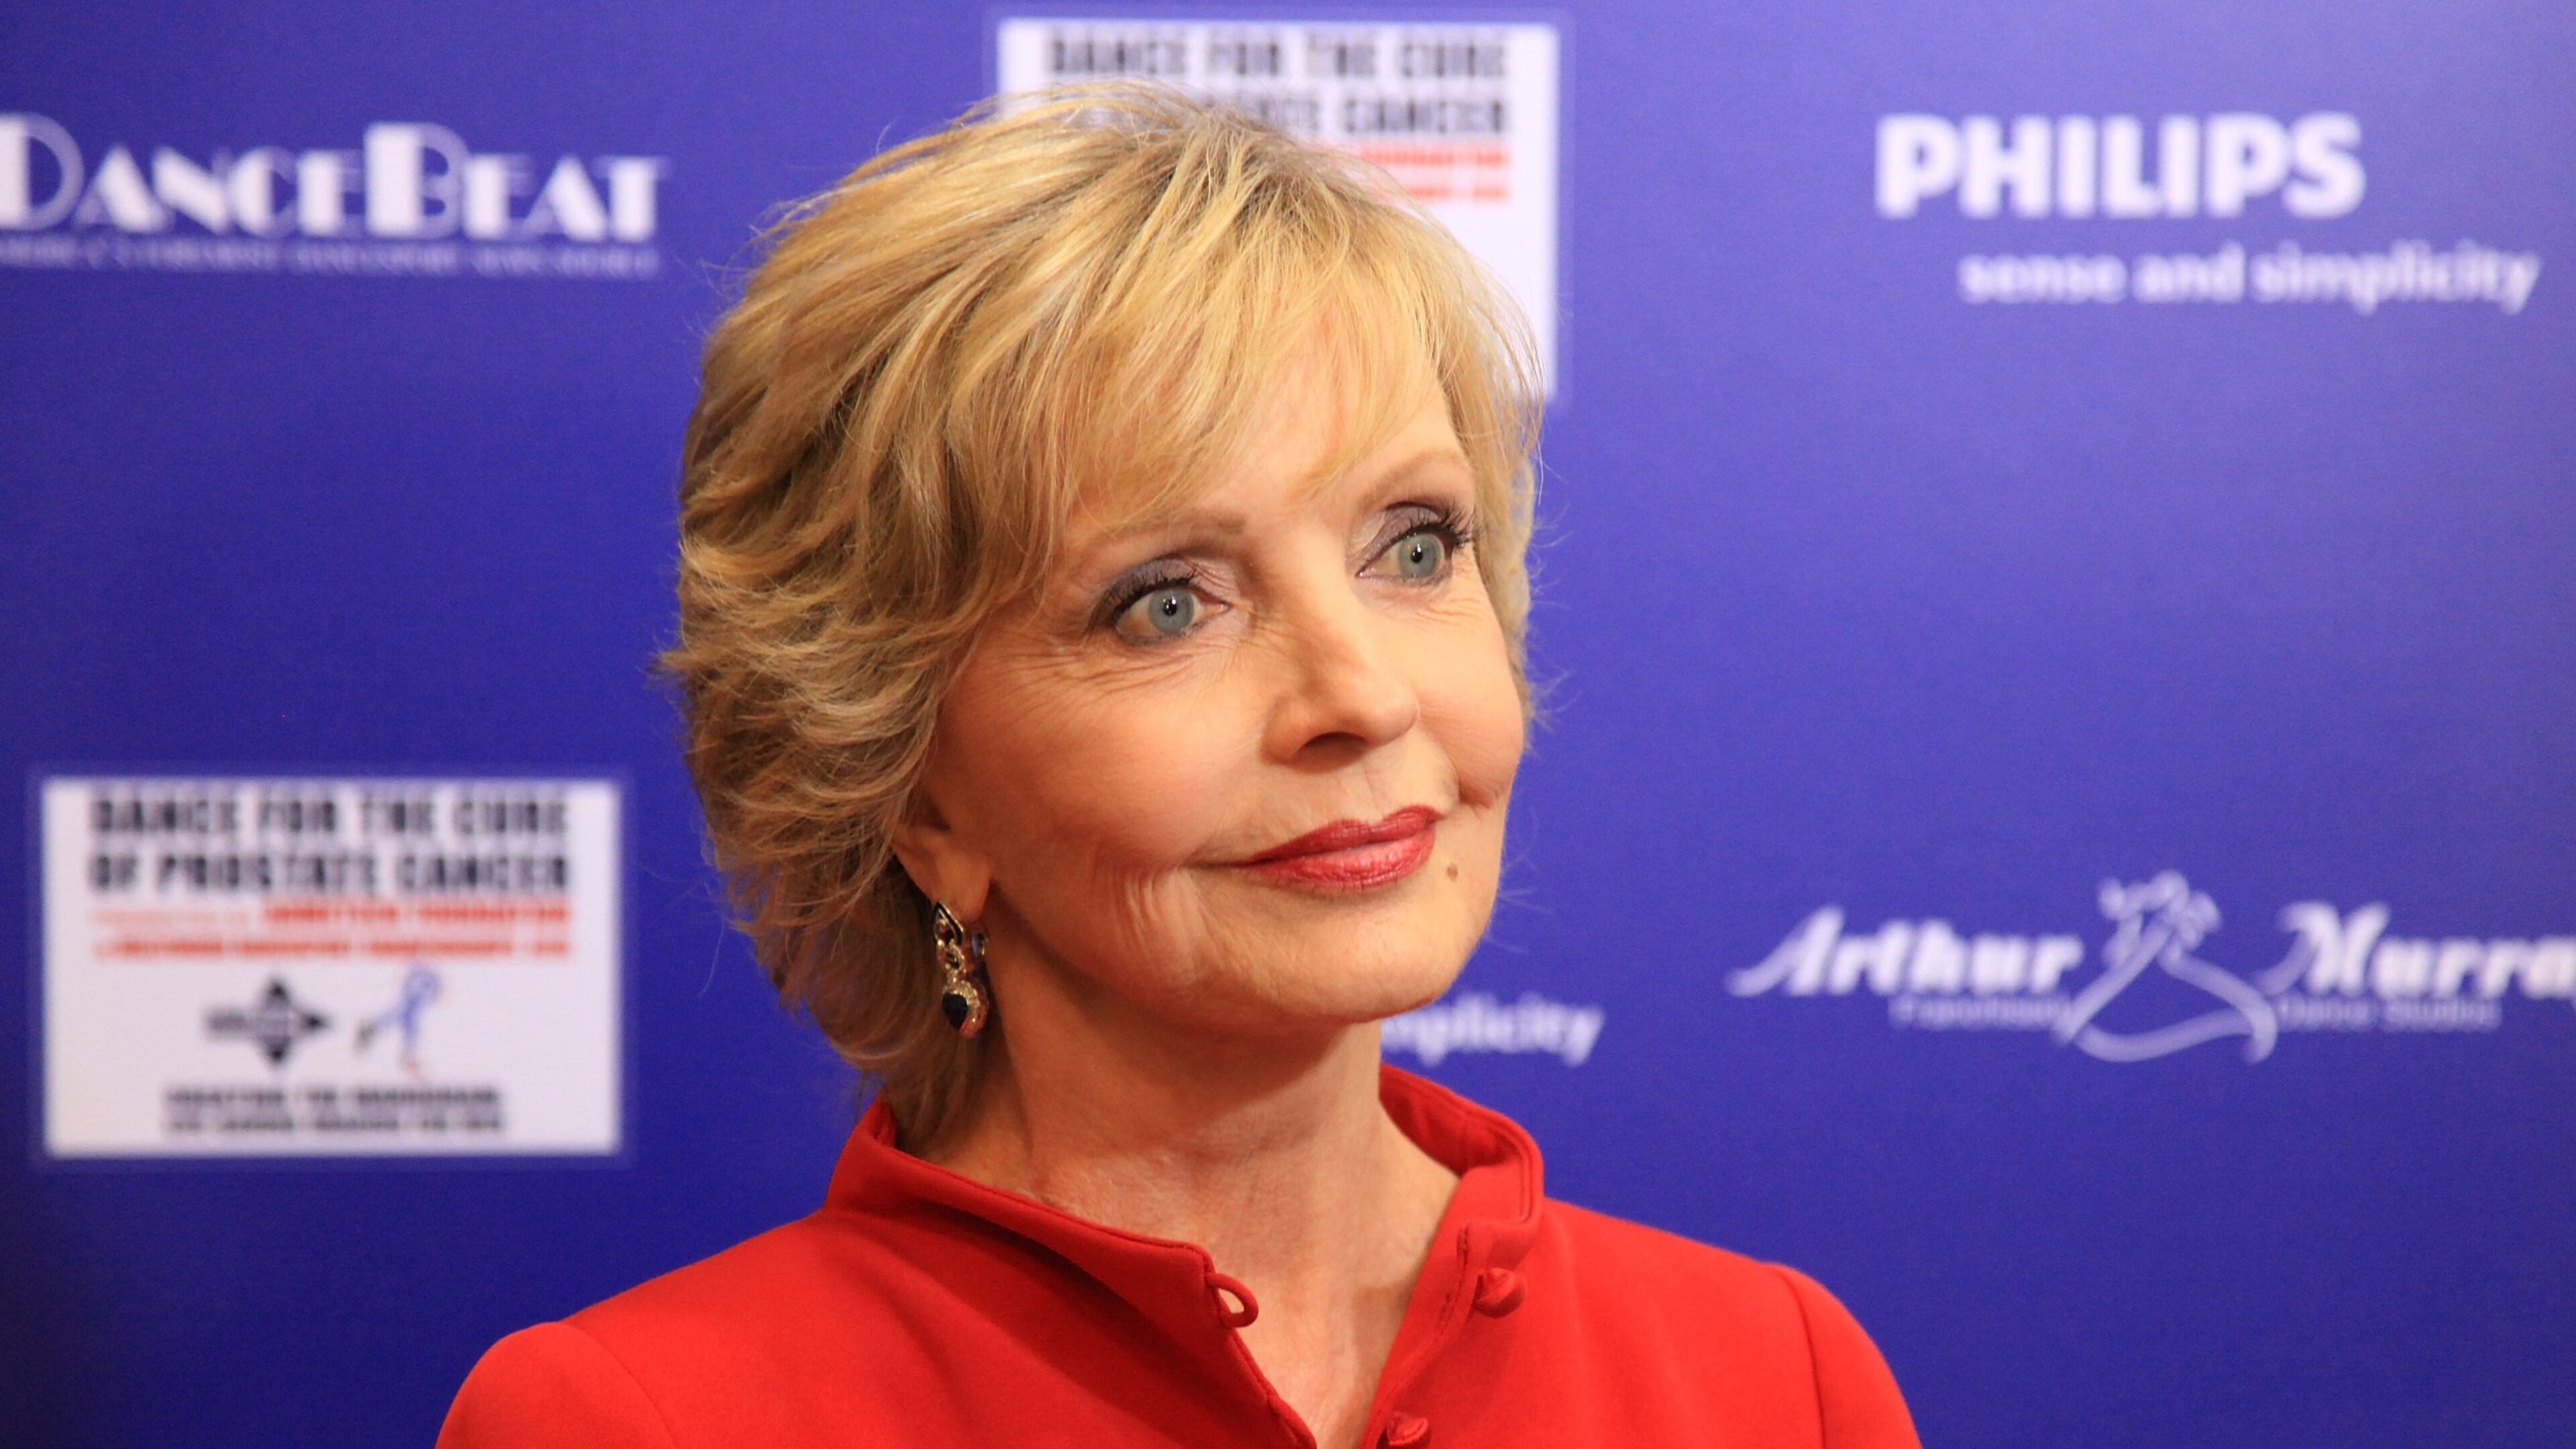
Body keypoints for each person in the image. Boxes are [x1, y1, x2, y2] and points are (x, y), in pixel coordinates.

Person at [438, 85, 1919, 1449]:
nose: (1362, 694)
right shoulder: (634, 1421)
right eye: (1166, 603)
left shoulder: (1775, 1379)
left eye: (1414, 548)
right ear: (912, 788)